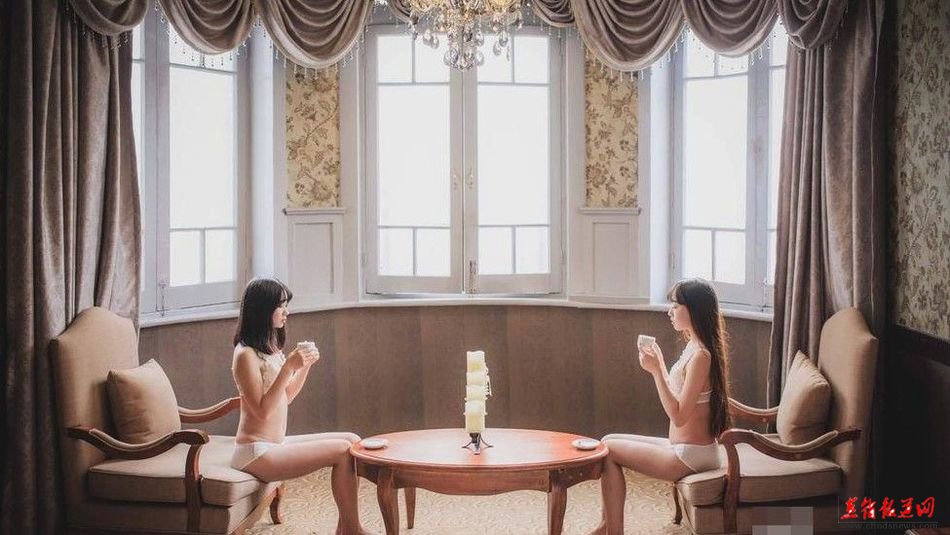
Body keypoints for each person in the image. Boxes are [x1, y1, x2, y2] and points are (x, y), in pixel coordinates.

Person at [230, 278, 370, 535]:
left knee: (353, 441)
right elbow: (262, 411)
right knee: (342, 451)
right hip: (255, 452)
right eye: (281, 306)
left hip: (276, 443)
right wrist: (287, 368)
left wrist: (304, 367)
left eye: (286, 305)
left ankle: (345, 526)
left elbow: (286, 397)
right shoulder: (245, 355)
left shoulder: (269, 347)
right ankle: (353, 529)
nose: (286, 312)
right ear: (262, 309)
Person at [593, 279, 731, 534]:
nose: (670, 311)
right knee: (606, 441)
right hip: (682, 447)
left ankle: (612, 530)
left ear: (694, 309)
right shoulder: (694, 346)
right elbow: (679, 395)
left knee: (608, 451)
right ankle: (606, 525)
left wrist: (657, 371)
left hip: (691, 456)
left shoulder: (701, 356)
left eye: (676, 305)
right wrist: (658, 366)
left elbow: (679, 416)